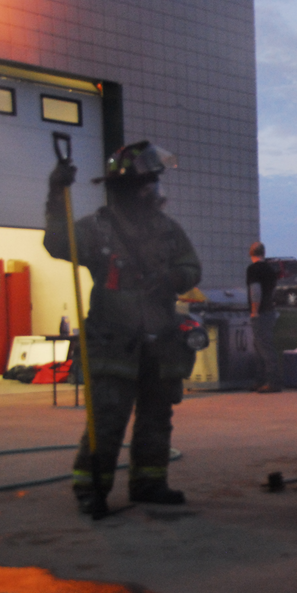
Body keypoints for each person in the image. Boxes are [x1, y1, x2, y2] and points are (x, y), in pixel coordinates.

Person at [45, 141, 202, 516]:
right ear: (130, 188)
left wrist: (174, 277)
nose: (155, 192)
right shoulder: (96, 229)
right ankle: (91, 488)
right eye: (148, 184)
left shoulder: (167, 229)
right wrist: (56, 190)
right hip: (114, 344)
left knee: (156, 417)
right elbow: (56, 243)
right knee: (107, 418)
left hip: (160, 344)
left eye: (155, 184)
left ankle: (149, 483)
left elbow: (192, 267)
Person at [246, 241, 282, 393]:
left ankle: (272, 382)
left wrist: (255, 311)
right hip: (270, 311)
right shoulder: (269, 269)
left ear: (251, 253)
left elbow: (255, 290)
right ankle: (261, 380)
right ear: (264, 253)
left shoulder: (253, 269)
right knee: (260, 345)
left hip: (260, 313)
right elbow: (273, 291)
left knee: (263, 347)